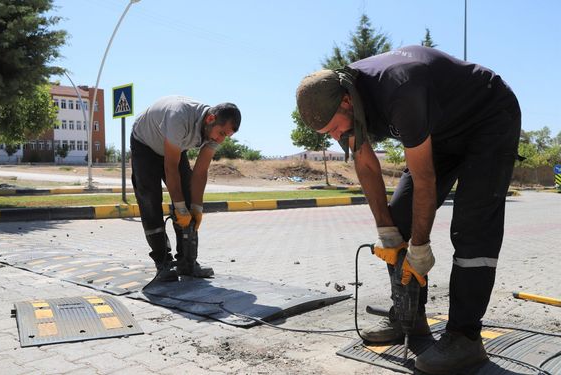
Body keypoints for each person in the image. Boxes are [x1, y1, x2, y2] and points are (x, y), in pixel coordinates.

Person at [295, 45, 520, 374]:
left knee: (473, 226)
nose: (335, 136)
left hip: (488, 118)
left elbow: (425, 179)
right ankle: (409, 319)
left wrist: (419, 246)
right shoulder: (339, 97)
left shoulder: (401, 89)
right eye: (327, 134)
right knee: (399, 217)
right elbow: (367, 167)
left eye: (333, 128)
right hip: (441, 130)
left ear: (346, 101)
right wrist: (387, 231)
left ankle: (465, 337)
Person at [130, 96, 241, 281]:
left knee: (188, 198)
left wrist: (196, 207)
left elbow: (200, 172)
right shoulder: (179, 117)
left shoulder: (215, 132)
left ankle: (187, 263)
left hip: (174, 147)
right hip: (145, 145)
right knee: (150, 201)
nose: (221, 140)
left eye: (226, 137)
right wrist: (179, 208)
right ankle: (162, 262)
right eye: (221, 133)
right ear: (210, 119)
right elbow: (170, 168)